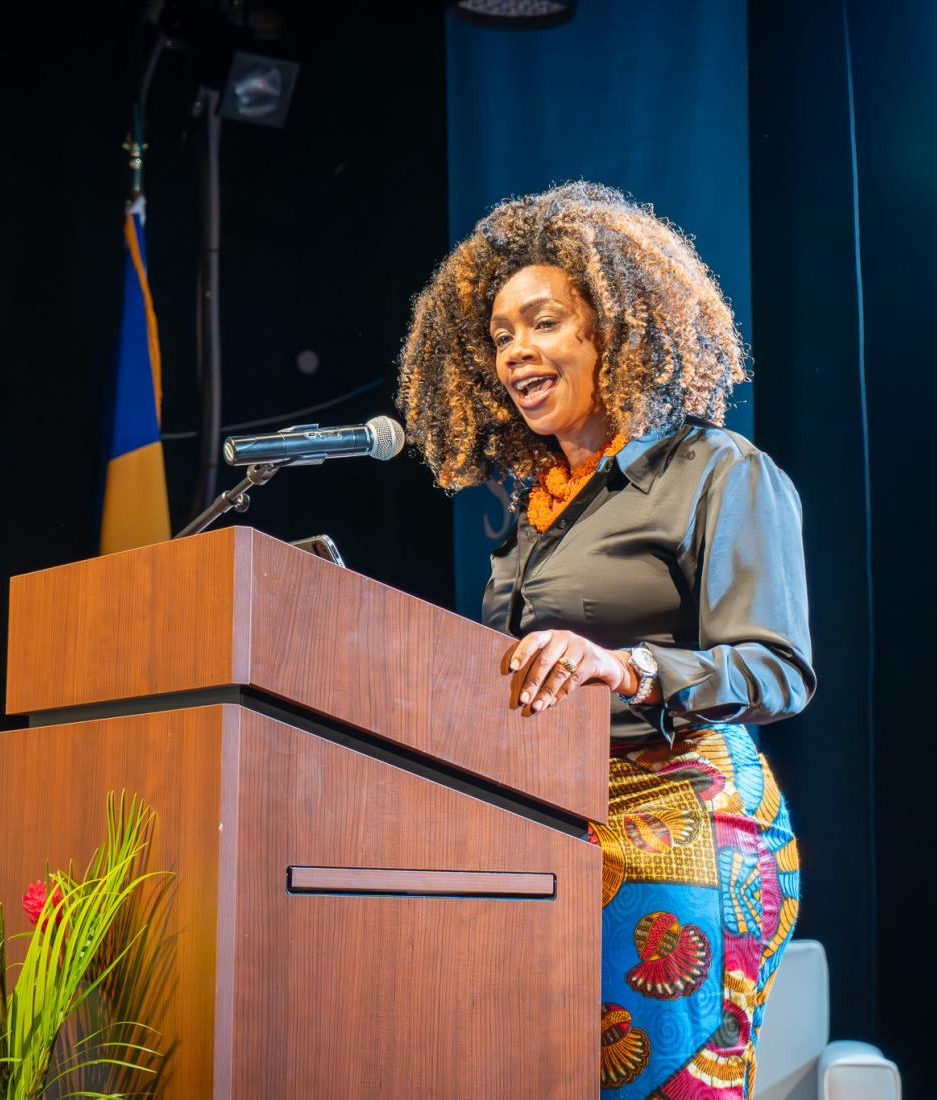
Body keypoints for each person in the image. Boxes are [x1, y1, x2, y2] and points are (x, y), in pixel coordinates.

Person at [396, 182, 815, 1098]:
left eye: (542, 324)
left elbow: (779, 670)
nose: (515, 354)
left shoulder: (717, 471)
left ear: (615, 331)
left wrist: (626, 667)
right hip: (550, 829)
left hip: (682, 825)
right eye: (500, 337)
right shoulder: (530, 516)